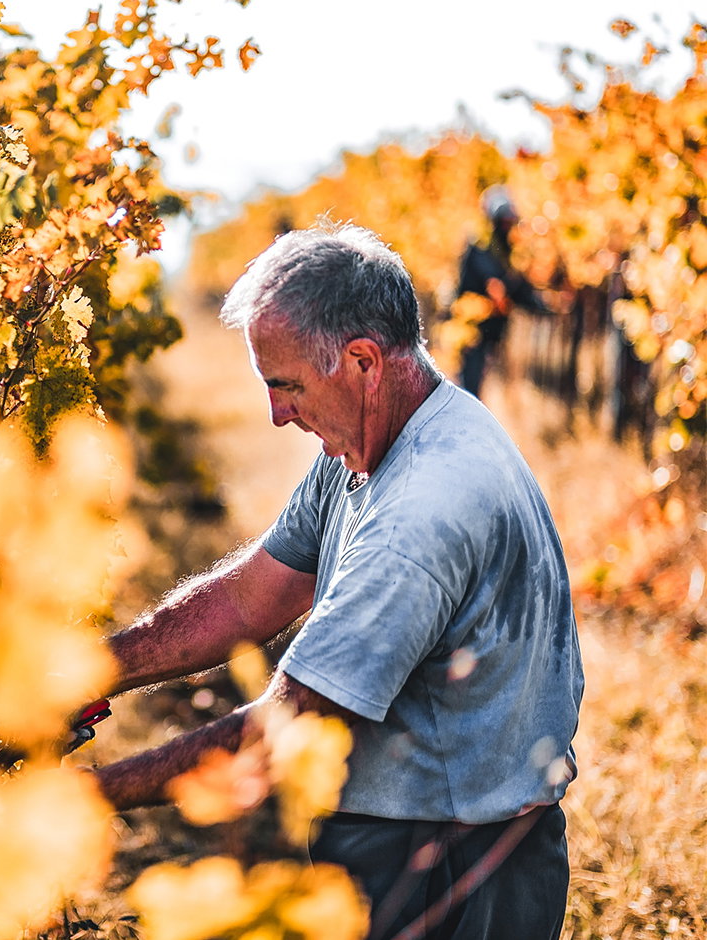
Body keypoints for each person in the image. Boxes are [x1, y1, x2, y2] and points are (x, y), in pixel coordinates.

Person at [89, 221, 583, 938]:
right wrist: (91, 671)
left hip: (457, 868)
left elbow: (283, 727)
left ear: (361, 362)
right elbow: (249, 596)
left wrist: (84, 796)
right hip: (405, 835)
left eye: (286, 385)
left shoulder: (423, 508)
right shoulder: (363, 441)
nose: (277, 413)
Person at [454, 186, 546, 397]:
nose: (509, 226)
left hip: (491, 331)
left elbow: (516, 289)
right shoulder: (479, 247)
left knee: (478, 387)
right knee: (470, 388)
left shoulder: (506, 250)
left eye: (510, 221)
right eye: (505, 221)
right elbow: (497, 287)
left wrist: (541, 304)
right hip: (473, 330)